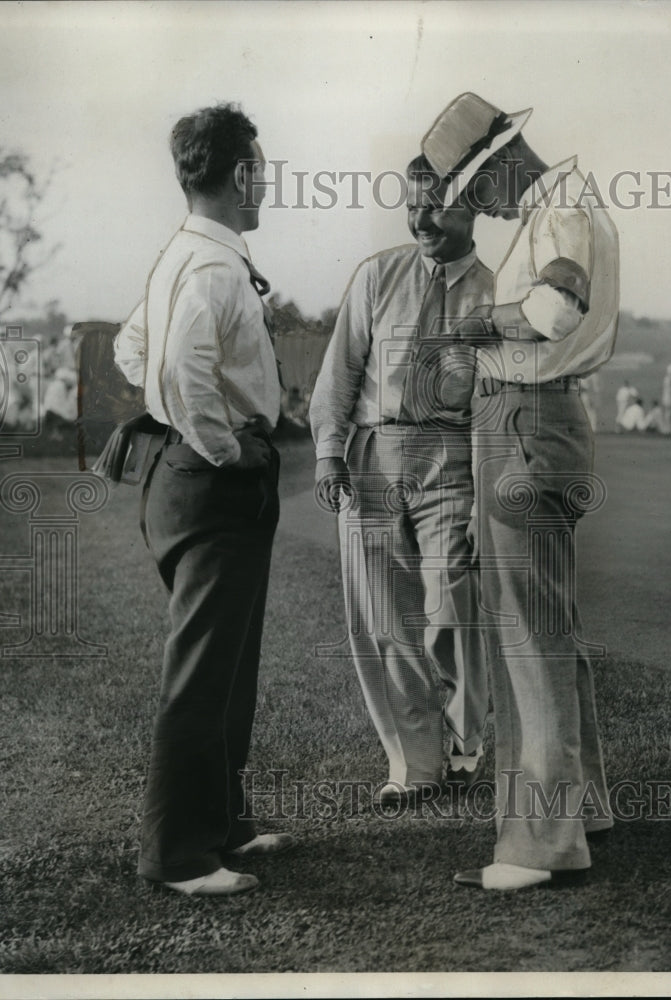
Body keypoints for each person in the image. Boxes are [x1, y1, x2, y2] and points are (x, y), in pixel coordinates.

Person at [429, 92, 618, 891]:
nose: (483, 209)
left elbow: (552, 308)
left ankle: (541, 843)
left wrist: (477, 324)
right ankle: (585, 806)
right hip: (541, 422)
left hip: (527, 424)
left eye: (478, 192)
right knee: (551, 626)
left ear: (502, 165)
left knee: (526, 635)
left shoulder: (559, 207)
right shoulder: (568, 204)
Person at [114, 103, 293, 897]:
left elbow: (132, 347)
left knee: (224, 666)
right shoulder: (216, 265)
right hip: (211, 481)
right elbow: (185, 372)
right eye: (261, 169)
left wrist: (178, 415)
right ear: (242, 173)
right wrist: (226, 445)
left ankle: (222, 822)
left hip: (178, 476)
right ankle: (180, 853)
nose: (266, 184)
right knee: (202, 672)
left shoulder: (183, 255)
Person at [309, 134, 499, 807]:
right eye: (412, 207)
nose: (420, 222)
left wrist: (484, 496)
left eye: (435, 210)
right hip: (374, 456)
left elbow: (495, 402)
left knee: (454, 605)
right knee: (383, 619)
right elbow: (340, 373)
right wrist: (330, 452)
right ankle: (414, 765)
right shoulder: (376, 274)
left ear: (472, 207)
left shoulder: (496, 296)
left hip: (452, 457)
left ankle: (464, 745)